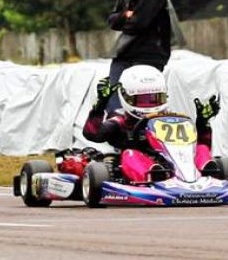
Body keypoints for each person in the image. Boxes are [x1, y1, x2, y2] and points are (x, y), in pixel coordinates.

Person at [82, 66, 219, 182]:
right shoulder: (120, 122)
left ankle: (209, 173)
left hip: (177, 163)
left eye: (155, 99)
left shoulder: (172, 121)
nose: (149, 105)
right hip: (137, 169)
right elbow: (93, 134)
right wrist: (99, 107)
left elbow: (199, 144)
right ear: (126, 97)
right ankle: (153, 176)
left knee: (201, 148)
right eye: (142, 100)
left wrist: (202, 122)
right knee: (130, 154)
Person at [104, 0, 172, 113]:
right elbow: (112, 20)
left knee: (144, 106)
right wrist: (126, 15)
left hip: (149, 54)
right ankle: (119, 133)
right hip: (127, 51)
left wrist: (128, 17)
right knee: (114, 100)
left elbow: (140, 23)